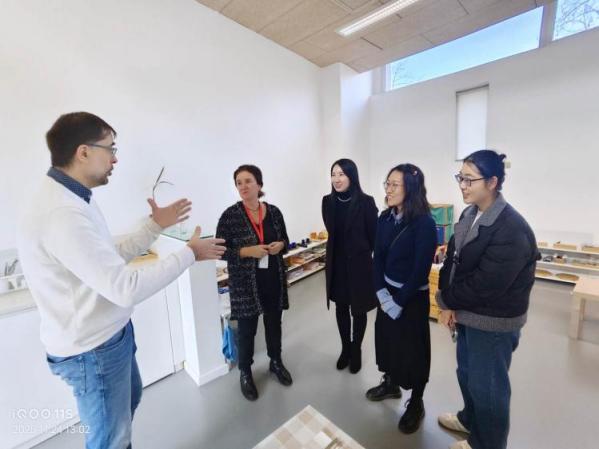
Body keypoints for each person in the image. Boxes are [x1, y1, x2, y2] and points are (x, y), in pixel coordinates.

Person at [16, 112, 226, 449]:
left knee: (128, 405)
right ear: (83, 152)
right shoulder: (62, 214)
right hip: (92, 350)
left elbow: (108, 258)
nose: (115, 159)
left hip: (109, 336)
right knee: (111, 440)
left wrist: (154, 226)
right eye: (110, 149)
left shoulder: (74, 199)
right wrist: (190, 253)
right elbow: (125, 288)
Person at [436, 150, 540, 449]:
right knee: (468, 374)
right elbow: (453, 260)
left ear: (493, 182)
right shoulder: (470, 213)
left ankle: (487, 443)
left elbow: (485, 286)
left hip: (493, 322)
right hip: (468, 314)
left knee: (489, 388)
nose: (462, 185)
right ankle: (469, 420)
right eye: (460, 178)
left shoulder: (511, 229)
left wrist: (444, 300)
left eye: (469, 179)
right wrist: (448, 304)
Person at [366, 163, 437, 434]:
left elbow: (421, 270)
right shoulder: (385, 218)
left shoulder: (424, 223)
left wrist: (399, 301)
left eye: (395, 184)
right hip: (387, 294)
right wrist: (381, 292)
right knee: (387, 342)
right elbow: (377, 258)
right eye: (387, 183)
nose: (389, 189)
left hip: (412, 298)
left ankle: (416, 402)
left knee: (414, 352)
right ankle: (391, 383)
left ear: (411, 188)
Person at [216, 164, 292, 402]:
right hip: (245, 284)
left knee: (274, 324)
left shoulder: (274, 212)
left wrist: (280, 245)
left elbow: (285, 238)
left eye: (248, 181)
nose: (243, 186)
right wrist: (247, 251)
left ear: (259, 184)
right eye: (238, 182)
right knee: (247, 330)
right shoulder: (230, 216)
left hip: (272, 278)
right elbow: (220, 251)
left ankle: (275, 361)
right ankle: (245, 372)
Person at [321, 159, 378, 374]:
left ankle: (356, 349)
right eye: (333, 174)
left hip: (359, 266)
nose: (336, 179)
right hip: (336, 265)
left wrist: (363, 255)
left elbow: (373, 236)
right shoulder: (327, 202)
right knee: (341, 308)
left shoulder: (366, 202)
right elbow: (332, 232)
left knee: (359, 309)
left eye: (341, 174)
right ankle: (345, 348)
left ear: (351, 176)